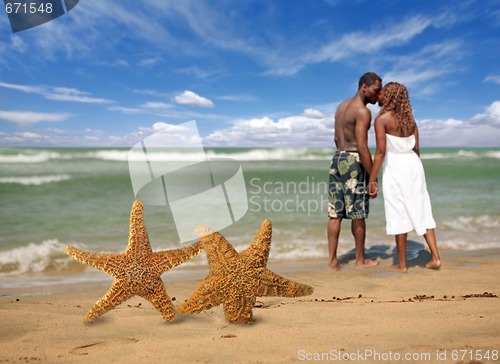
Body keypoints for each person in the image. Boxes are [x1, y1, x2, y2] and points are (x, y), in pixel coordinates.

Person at [369, 82, 442, 272]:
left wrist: (372, 179)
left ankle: (401, 265)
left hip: (396, 166)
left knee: (398, 211)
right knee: (422, 209)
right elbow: (416, 150)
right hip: (414, 165)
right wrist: (415, 170)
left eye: (383, 93)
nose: (380, 95)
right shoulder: (411, 121)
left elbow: (380, 152)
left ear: (390, 96)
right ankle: (436, 258)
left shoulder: (382, 119)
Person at [327, 72, 382, 270]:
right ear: (364, 87)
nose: (378, 95)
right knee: (358, 213)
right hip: (353, 161)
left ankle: (332, 260)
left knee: (335, 213)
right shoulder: (362, 111)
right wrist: (373, 177)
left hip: (337, 158)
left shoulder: (341, 107)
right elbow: (362, 146)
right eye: (376, 91)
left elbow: (335, 139)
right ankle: (360, 260)